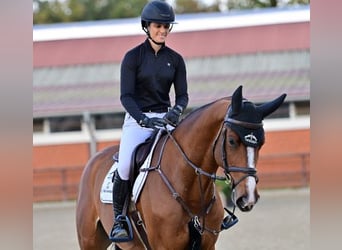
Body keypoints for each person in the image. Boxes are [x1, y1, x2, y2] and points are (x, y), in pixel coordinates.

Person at [109, 0, 189, 242]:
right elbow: (126, 96)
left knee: (190, 156)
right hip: (138, 119)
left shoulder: (175, 59)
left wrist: (177, 110)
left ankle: (206, 212)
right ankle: (119, 219)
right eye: (158, 26)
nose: (163, 31)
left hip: (166, 117)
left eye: (166, 27)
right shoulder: (132, 58)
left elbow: (183, 95)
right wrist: (142, 119)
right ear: (146, 26)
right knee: (125, 165)